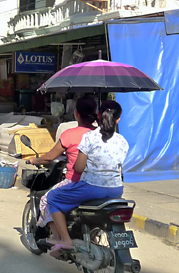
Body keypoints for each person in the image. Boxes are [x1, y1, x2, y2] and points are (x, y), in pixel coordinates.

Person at [46, 100, 129, 257]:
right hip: (116, 190)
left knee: (52, 197)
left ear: (98, 115)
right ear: (118, 119)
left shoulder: (89, 137)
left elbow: (78, 168)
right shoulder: (123, 141)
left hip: (91, 188)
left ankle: (64, 239)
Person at [26, 96, 97, 244]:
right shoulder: (102, 134)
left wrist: (34, 160)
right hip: (100, 183)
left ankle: (58, 237)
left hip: (75, 182)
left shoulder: (69, 134)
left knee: (47, 199)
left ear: (76, 113)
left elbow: (49, 157)